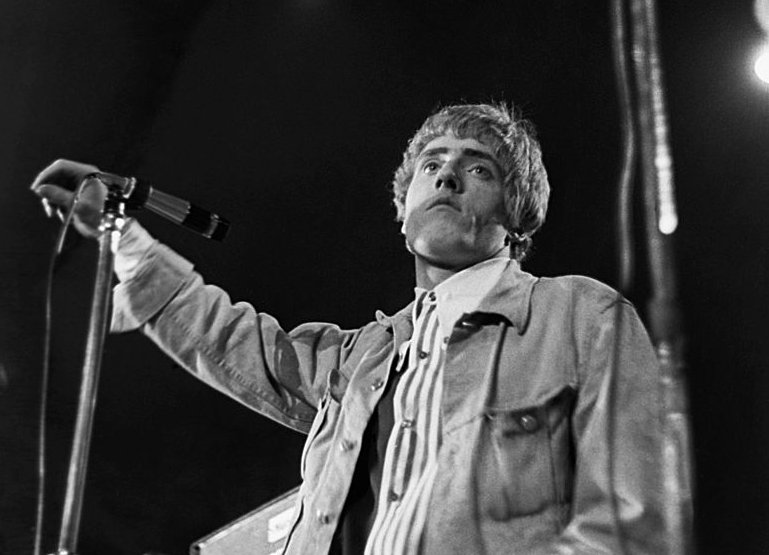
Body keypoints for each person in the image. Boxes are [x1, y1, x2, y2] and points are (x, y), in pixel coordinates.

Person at [31, 103, 666, 554]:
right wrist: (128, 243)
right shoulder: (362, 358)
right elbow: (231, 340)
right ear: (403, 210)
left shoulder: (582, 317)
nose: (446, 174)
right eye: (432, 163)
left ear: (517, 216)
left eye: (480, 168)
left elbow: (627, 526)